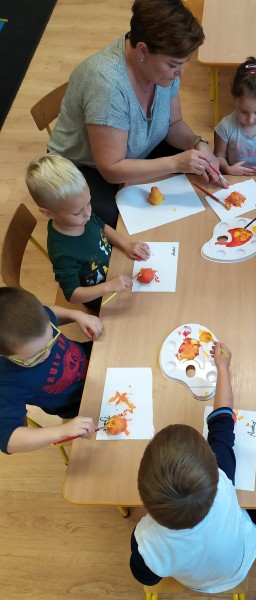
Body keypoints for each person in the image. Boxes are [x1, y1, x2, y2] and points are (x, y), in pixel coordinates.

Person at [47, 0, 223, 227]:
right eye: (173, 65)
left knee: (196, 169)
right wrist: (175, 163)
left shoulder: (157, 67)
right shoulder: (107, 85)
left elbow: (173, 123)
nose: (180, 73)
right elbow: (111, 169)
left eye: (183, 63)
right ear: (142, 50)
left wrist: (198, 143)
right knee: (107, 220)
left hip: (135, 148)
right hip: (85, 166)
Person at [130, 341, 256, 593]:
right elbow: (223, 419)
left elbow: (146, 578)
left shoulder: (146, 543)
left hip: (199, 583)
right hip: (242, 561)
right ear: (214, 464)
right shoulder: (222, 481)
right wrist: (222, 368)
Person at [25, 154, 150, 313]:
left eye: (89, 202)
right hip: (100, 295)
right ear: (49, 213)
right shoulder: (62, 252)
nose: (88, 213)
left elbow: (101, 226)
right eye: (77, 212)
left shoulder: (83, 216)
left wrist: (126, 244)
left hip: (114, 269)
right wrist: (108, 286)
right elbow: (72, 295)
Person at [0, 287, 102, 454]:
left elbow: (51, 312)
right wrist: (61, 431)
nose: (47, 354)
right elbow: (8, 438)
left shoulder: (34, 320)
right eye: (35, 356)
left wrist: (77, 315)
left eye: (51, 340)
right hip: (79, 404)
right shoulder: (6, 383)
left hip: (93, 360)